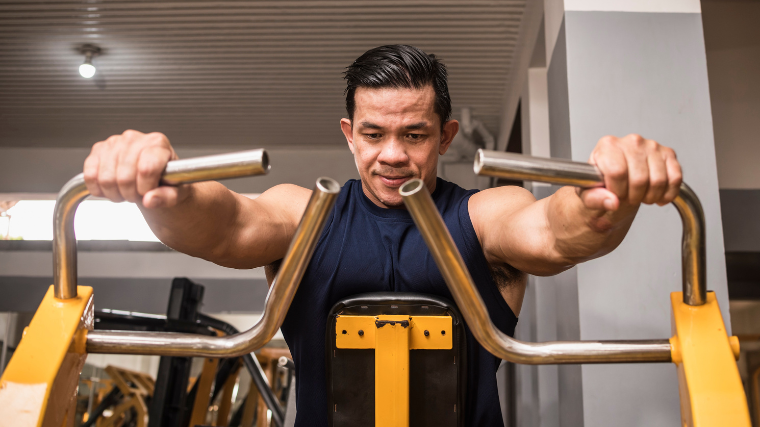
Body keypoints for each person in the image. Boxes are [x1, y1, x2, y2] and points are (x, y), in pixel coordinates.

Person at [83, 45, 682, 426]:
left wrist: (610, 195)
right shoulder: (307, 215)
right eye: (373, 134)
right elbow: (225, 225)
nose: (392, 155)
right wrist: (162, 191)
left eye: (415, 135)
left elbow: (555, 234)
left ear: (446, 137)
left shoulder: (484, 216)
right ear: (349, 134)